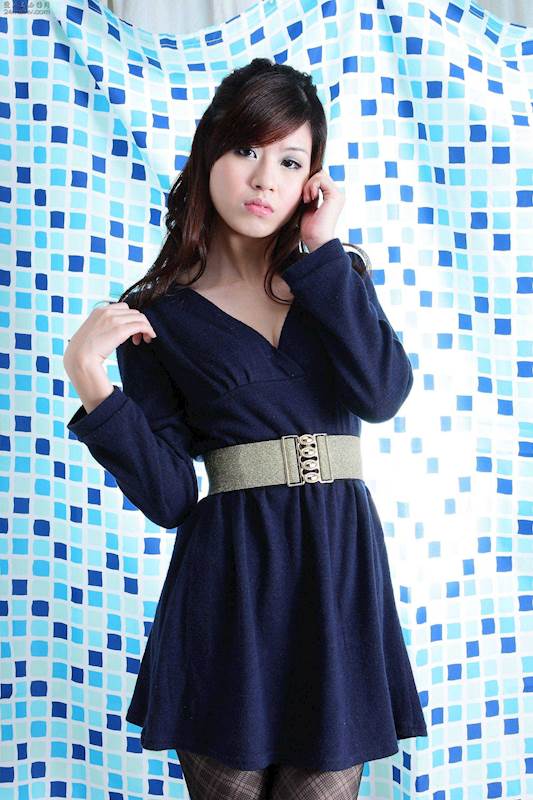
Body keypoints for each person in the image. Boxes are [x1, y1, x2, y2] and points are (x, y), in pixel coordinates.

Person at [63, 57, 428, 799]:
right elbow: (172, 497)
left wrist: (324, 249)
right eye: (245, 150)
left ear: (312, 181)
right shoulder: (157, 315)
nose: (264, 180)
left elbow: (382, 393)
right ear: (209, 154)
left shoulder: (333, 278)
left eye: (289, 161)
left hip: (335, 574)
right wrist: (92, 382)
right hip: (230, 583)